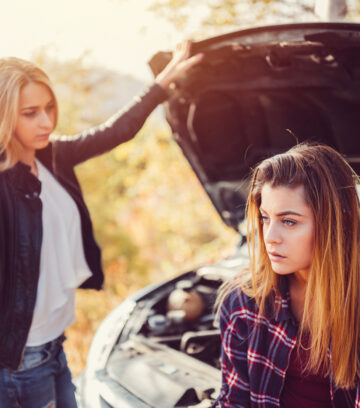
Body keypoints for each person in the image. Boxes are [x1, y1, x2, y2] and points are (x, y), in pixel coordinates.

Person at [0, 41, 203, 407]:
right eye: (30, 113)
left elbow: (115, 131)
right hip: (21, 360)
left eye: (48, 108)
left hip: (54, 343)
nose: (46, 121)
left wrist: (161, 87)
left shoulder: (53, 157)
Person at [213, 143, 360, 408]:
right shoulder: (243, 304)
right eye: (265, 218)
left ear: (339, 221)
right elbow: (233, 402)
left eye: (289, 221)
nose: (270, 237)